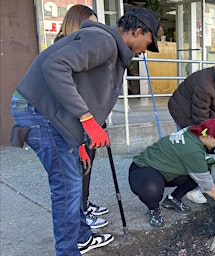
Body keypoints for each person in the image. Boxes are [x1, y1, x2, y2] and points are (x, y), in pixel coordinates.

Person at [10, 7, 161, 255]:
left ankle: (81, 235)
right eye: (148, 43)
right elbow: (55, 67)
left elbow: (77, 86)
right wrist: (88, 121)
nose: (146, 50)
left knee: (73, 182)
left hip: (50, 115)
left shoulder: (111, 49)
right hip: (38, 112)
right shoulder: (103, 41)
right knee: (67, 188)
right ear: (137, 31)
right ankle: (68, 250)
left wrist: (79, 140)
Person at [54, 4, 109, 230]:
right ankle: (79, 219)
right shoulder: (63, 50)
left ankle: (83, 205)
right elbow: (66, 96)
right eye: (91, 26)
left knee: (86, 167)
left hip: (88, 121)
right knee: (77, 171)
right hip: (73, 124)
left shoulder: (83, 51)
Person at [167, 54, 215, 204]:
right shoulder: (205, 85)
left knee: (205, 151)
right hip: (184, 112)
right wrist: (209, 138)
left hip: (200, 114)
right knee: (194, 150)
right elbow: (199, 119)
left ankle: (205, 186)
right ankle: (192, 190)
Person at [128, 118, 215, 227]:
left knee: (202, 170)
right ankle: (154, 209)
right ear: (209, 137)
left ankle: (172, 200)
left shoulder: (191, 131)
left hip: (165, 170)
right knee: (151, 188)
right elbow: (205, 182)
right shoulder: (192, 149)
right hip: (143, 168)